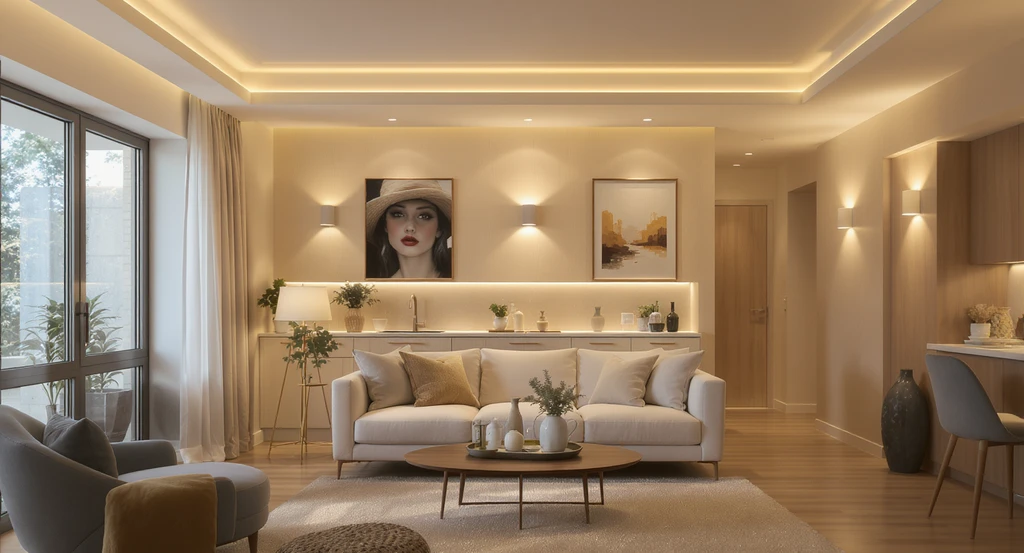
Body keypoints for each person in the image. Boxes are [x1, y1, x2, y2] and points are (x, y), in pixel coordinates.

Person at [365, 179, 453, 279]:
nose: (410, 227)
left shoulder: (460, 282)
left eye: (424, 216)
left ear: (439, 228)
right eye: (398, 214)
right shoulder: (376, 291)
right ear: (385, 225)